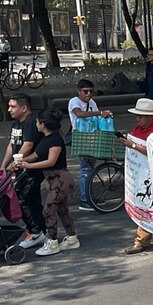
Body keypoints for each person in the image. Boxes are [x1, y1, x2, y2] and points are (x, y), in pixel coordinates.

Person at [11, 109, 78, 256]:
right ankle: (72, 238)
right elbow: (35, 155)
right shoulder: (45, 139)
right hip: (54, 181)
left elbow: (50, 161)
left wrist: (28, 166)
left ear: (43, 124)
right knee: (61, 209)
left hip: (61, 180)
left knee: (48, 209)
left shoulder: (55, 139)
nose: (35, 124)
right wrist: (20, 161)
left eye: (37, 122)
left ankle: (52, 242)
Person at [119, 98, 153, 255]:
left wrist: (133, 145)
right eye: (138, 116)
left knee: (151, 207)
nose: (138, 119)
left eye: (141, 116)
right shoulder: (138, 128)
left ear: (150, 117)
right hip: (140, 174)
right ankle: (145, 238)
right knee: (145, 206)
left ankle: (144, 240)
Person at [0, 93, 47, 249]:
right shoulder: (15, 124)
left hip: (31, 168)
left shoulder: (31, 122)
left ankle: (35, 232)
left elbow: (27, 145)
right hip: (20, 168)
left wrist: (15, 163)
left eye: (13, 106)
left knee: (23, 199)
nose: (9, 110)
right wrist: (3, 166)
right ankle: (40, 231)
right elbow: (11, 145)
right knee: (32, 200)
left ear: (24, 107)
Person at [68, 79, 114, 210]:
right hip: (81, 138)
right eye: (85, 91)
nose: (88, 94)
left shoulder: (92, 102)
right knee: (85, 169)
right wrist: (100, 112)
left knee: (90, 169)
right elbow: (79, 114)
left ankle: (89, 197)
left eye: (91, 91)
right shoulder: (74, 101)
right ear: (79, 91)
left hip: (93, 137)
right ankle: (84, 199)